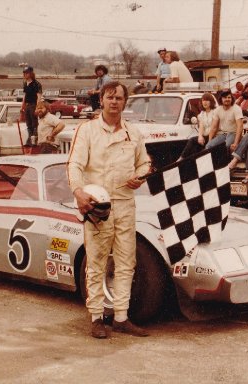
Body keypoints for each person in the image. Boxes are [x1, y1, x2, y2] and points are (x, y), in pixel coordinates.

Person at [67, 81, 151, 339]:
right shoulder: (87, 130)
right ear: (101, 100)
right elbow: (74, 165)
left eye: (119, 98)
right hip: (98, 205)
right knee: (96, 262)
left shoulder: (133, 133)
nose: (115, 102)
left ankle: (121, 317)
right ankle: (96, 317)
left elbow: (145, 162)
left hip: (125, 203)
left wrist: (141, 176)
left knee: (127, 261)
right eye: (110, 97)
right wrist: (79, 193)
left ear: (125, 102)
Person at [179, 92, 216, 159]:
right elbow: (201, 126)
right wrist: (200, 137)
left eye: (207, 100)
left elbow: (214, 128)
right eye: (203, 100)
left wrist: (209, 141)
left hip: (213, 136)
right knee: (192, 140)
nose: (205, 102)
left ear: (211, 102)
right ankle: (181, 159)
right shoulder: (201, 114)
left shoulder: (215, 112)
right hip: (205, 137)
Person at [21, 66, 42, 146]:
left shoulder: (36, 84)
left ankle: (34, 140)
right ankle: (29, 139)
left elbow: (39, 97)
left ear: (31, 73)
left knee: (34, 123)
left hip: (33, 105)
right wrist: (22, 106)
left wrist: (37, 107)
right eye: (24, 73)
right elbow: (25, 95)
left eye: (26, 73)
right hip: (27, 105)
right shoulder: (25, 83)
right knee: (28, 123)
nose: (24, 75)